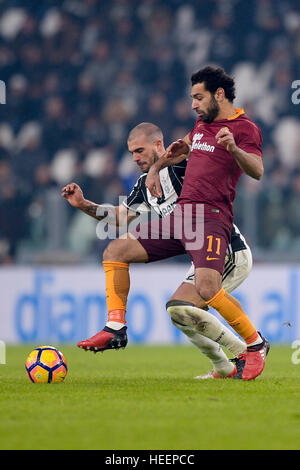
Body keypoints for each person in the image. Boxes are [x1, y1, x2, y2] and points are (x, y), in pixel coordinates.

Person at [62, 119, 265, 380]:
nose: (135, 158)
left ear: (159, 144)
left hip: (228, 252)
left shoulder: (186, 164)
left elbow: (213, 158)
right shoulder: (145, 183)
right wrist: (82, 204)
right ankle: (117, 327)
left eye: (140, 151)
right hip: (196, 250)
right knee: (175, 308)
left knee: (184, 306)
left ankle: (247, 348)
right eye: (132, 153)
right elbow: (121, 217)